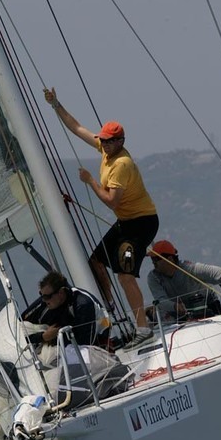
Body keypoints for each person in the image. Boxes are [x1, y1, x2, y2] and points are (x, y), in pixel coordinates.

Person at [44, 87, 158, 347]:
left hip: (141, 224)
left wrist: (90, 182)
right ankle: (108, 306)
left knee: (125, 275)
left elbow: (110, 200)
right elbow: (78, 128)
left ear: (121, 142)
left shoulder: (121, 165)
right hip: (126, 223)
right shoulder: (107, 151)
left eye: (109, 141)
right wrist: (56, 105)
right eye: (103, 140)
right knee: (96, 261)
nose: (104, 144)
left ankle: (143, 328)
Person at [21, 271, 105, 358]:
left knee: (50, 356)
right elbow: (21, 323)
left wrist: (51, 338)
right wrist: (42, 337)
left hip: (96, 346)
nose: (44, 300)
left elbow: (84, 343)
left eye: (47, 297)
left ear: (60, 293)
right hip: (61, 341)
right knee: (24, 326)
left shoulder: (83, 304)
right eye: (41, 295)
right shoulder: (49, 302)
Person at [144, 240, 221, 322]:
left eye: (156, 259)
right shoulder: (153, 277)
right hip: (181, 314)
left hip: (207, 306)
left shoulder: (189, 268)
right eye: (152, 258)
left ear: (170, 259)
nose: (153, 262)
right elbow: (160, 300)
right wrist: (175, 306)